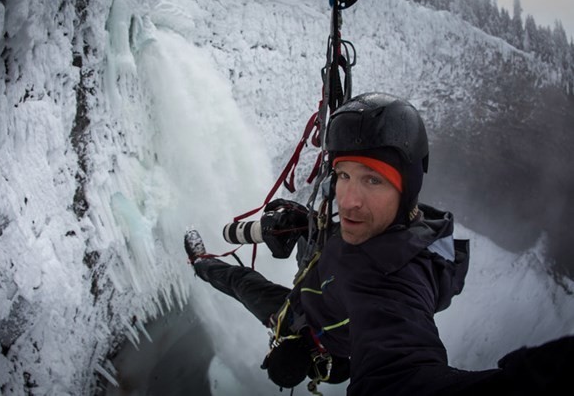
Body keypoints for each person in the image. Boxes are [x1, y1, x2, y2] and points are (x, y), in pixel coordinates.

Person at [184, 92, 574, 395]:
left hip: (314, 338)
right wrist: (305, 226)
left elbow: (399, 376)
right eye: (343, 175)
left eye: (373, 180)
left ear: (405, 190)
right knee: (247, 280)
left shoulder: (390, 283)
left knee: (242, 284)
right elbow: (338, 233)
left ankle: (201, 262)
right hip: (310, 298)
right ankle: (204, 262)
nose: (349, 199)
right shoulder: (380, 224)